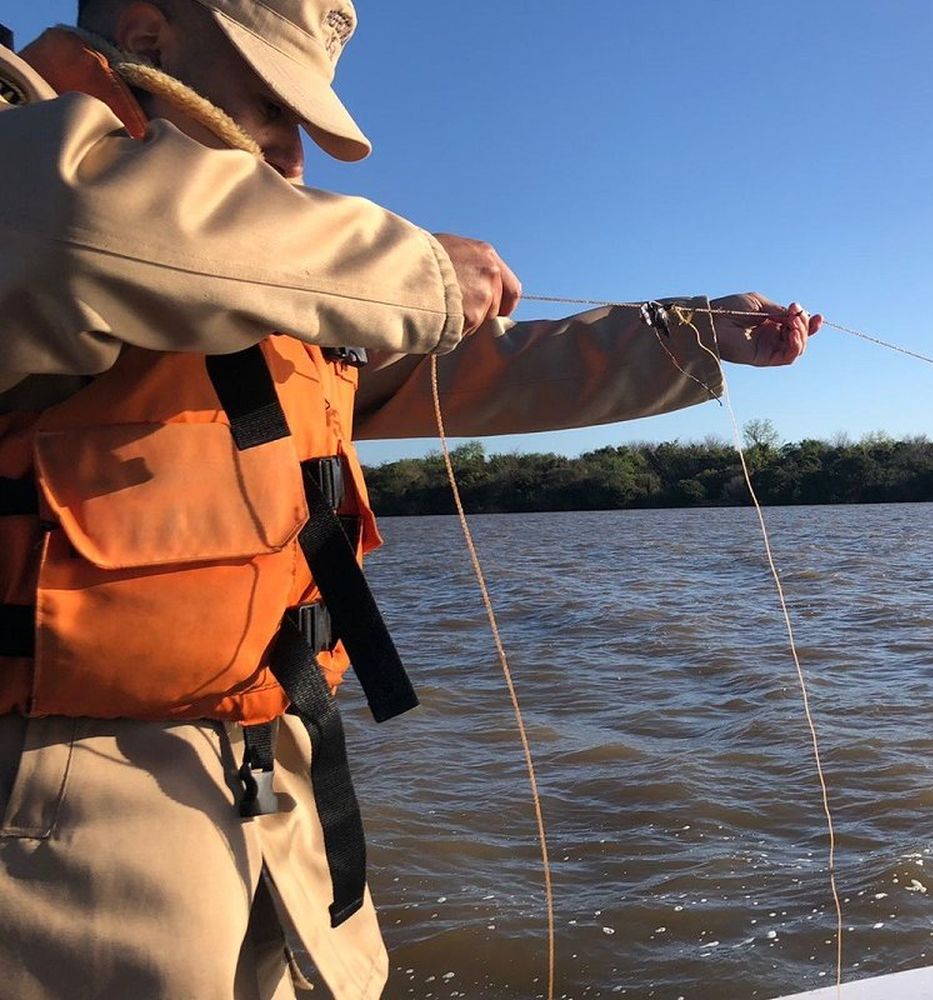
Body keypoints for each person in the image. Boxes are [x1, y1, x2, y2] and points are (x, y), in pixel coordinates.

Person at [0, 1, 819, 997]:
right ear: (147, 33)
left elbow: (480, 368)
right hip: (62, 815)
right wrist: (416, 267)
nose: (291, 150)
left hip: (273, 786)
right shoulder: (27, 144)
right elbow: (80, 230)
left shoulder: (271, 267)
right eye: (269, 98)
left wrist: (690, 335)